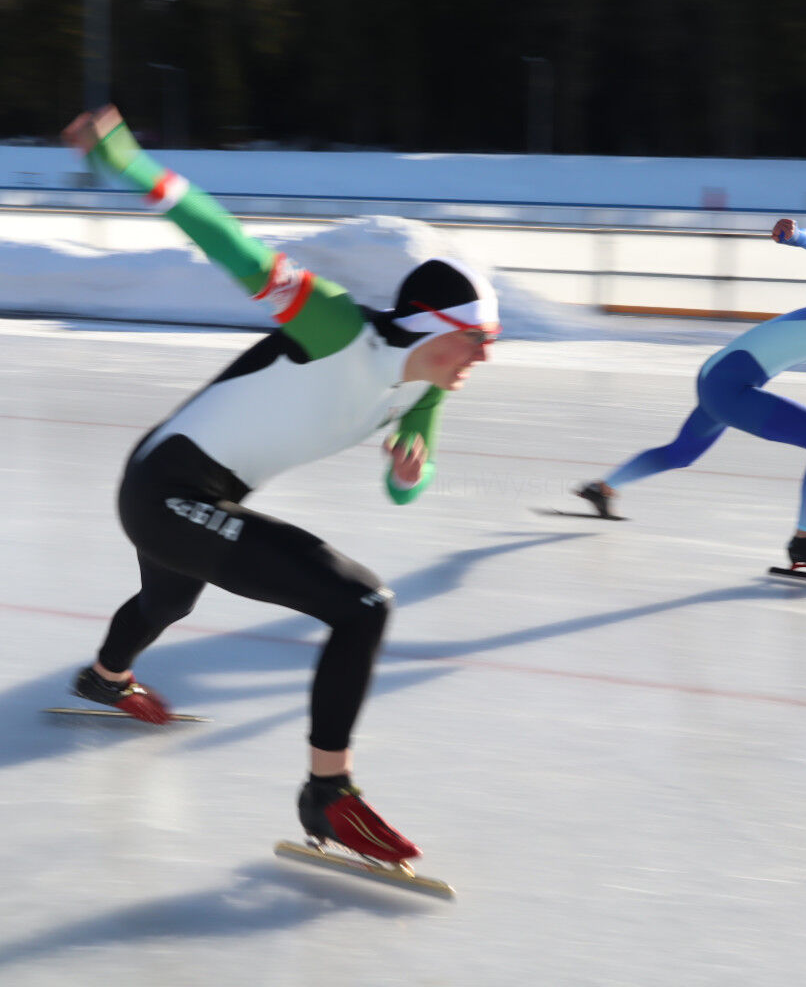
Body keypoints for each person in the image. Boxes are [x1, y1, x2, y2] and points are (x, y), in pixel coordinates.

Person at [62, 106, 500, 866]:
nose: (482, 360)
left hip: (201, 494)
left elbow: (411, 485)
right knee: (361, 606)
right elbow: (231, 245)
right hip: (164, 484)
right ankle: (328, 796)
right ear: (433, 326)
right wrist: (129, 163)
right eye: (476, 341)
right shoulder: (336, 327)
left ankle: (106, 677)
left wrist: (409, 470)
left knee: (170, 598)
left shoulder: (426, 391)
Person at [576, 218, 806, 573]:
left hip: (722, 378)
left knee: (681, 453)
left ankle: (602, 489)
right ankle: (805, 541)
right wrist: (797, 237)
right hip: (730, 382)